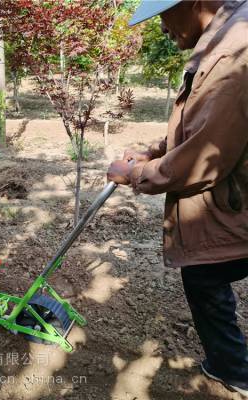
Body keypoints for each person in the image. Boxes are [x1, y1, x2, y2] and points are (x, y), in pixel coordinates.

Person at [107, 0, 248, 396]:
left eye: (166, 14)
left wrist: (135, 174)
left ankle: (233, 369)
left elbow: (204, 157)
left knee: (205, 273)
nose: (163, 28)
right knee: (205, 274)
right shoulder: (225, 37)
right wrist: (155, 149)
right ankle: (229, 364)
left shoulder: (233, 54)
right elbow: (206, 123)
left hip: (236, 199)